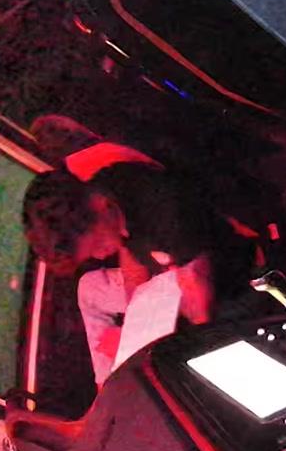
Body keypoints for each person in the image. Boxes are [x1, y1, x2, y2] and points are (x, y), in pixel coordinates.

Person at [21, 164, 225, 386]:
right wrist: (132, 326)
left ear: (99, 205)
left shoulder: (164, 212)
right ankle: (106, 385)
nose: (100, 256)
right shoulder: (106, 192)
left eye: (97, 245)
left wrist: (148, 347)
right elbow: (130, 257)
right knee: (89, 288)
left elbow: (200, 312)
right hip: (169, 275)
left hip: (218, 278)